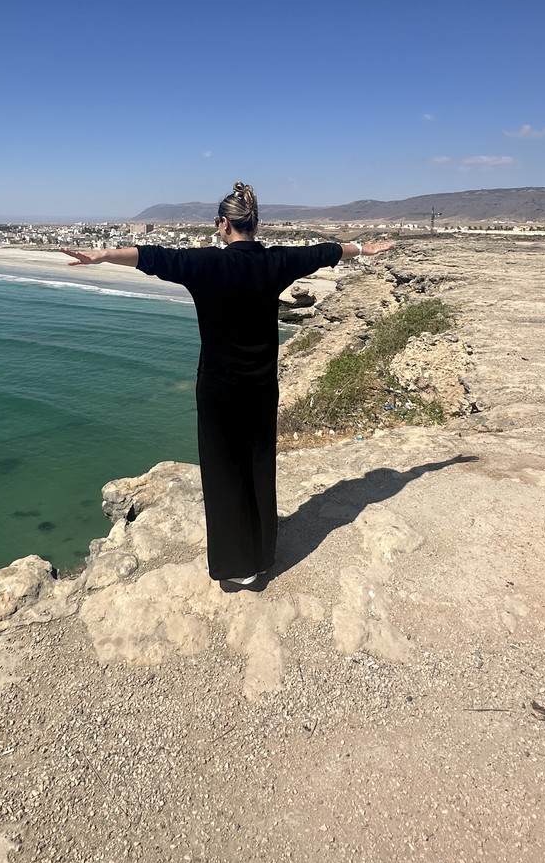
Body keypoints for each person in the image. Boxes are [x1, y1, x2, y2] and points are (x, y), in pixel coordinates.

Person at [61, 182, 395, 587]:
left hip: (218, 388)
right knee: (258, 465)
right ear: (255, 223)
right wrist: (362, 249)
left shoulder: (206, 265)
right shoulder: (275, 263)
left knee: (222, 472)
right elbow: (323, 252)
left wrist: (101, 256)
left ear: (223, 225)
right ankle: (262, 553)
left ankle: (235, 565)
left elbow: (152, 257)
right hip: (260, 388)